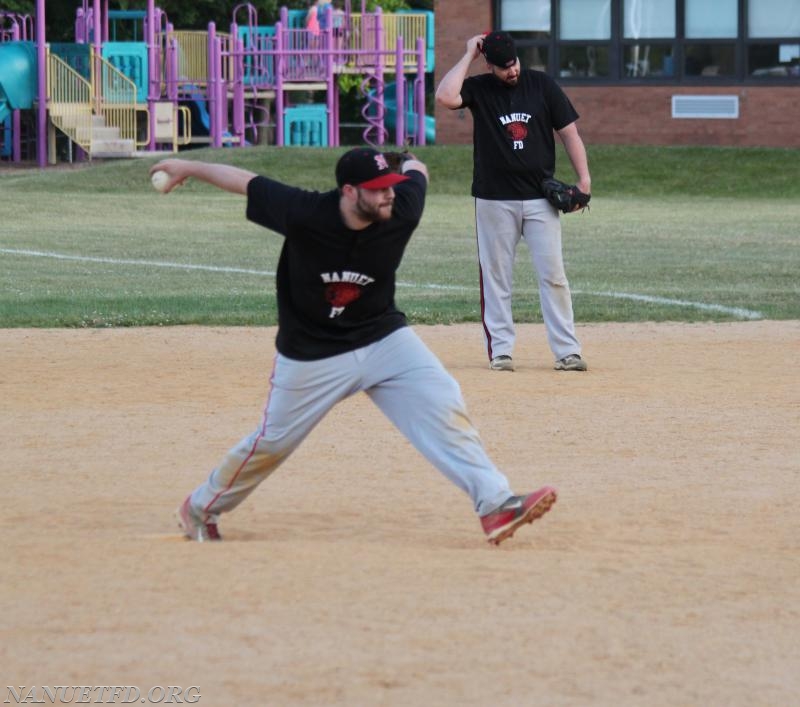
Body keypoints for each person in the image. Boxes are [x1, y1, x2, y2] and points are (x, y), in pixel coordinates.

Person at [150, 148, 557, 545]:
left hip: (383, 337)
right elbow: (245, 181)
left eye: (391, 186)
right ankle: (200, 508)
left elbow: (419, 173)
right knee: (272, 443)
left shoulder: (402, 209)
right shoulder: (304, 212)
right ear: (349, 192)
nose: (389, 195)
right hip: (312, 352)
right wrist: (189, 165)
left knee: (443, 399)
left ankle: (495, 503)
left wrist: (408, 161)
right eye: (378, 188)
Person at [435, 31, 591, 373]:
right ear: (489, 64)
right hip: (493, 199)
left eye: (514, 63)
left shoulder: (542, 85)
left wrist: (584, 181)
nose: (512, 71)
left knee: (554, 275)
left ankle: (567, 351)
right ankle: (501, 351)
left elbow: (569, 133)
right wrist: (467, 54)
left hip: (540, 198)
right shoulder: (479, 88)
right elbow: (446, 97)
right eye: (503, 67)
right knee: (495, 276)